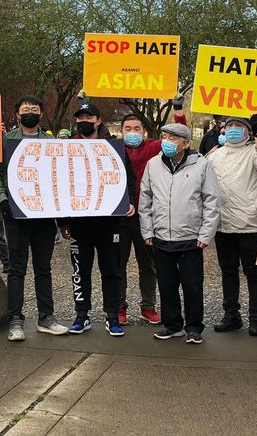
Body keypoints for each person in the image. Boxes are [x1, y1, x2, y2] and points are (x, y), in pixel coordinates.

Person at [0, 95, 69, 341]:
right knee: (16, 269)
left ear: (41, 114)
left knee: (43, 268)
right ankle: (15, 320)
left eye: (34, 109)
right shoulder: (5, 141)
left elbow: (61, 177)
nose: (29, 113)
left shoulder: (52, 143)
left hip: (44, 217)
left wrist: (63, 214)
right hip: (15, 215)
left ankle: (46, 317)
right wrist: (2, 200)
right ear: (17, 114)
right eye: (25, 109)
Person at [59, 102, 137, 337]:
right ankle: (81, 315)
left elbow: (129, 178)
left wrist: (130, 202)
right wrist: (63, 221)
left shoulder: (114, 147)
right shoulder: (67, 148)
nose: (84, 121)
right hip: (79, 222)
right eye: (80, 117)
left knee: (111, 270)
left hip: (109, 222)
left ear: (98, 120)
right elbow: (60, 184)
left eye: (89, 117)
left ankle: (112, 316)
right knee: (80, 271)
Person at [138, 123, 220, 344]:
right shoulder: (153, 164)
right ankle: (172, 325)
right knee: (166, 285)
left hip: (190, 238)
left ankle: (194, 327)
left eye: (173, 138)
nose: (167, 142)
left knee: (192, 286)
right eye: (165, 137)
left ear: (185, 143)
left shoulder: (201, 165)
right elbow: (145, 200)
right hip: (161, 236)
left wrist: (205, 235)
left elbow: (211, 201)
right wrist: (147, 230)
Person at [207, 114, 257, 336]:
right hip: (222, 224)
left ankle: (256, 318)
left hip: (249, 224)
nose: (234, 129)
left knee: (253, 272)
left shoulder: (255, 152)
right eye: (230, 125)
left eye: (239, 125)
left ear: (248, 131)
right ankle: (231, 315)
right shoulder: (215, 155)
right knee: (228, 272)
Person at [118, 114, 161, 325]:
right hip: (120, 216)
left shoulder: (153, 147)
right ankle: (119, 307)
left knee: (148, 264)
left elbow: (178, 137)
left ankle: (148, 306)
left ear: (144, 131)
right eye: (128, 129)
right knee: (118, 263)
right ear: (121, 131)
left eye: (137, 128)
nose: (132, 133)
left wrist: (179, 112)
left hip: (146, 214)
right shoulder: (114, 148)